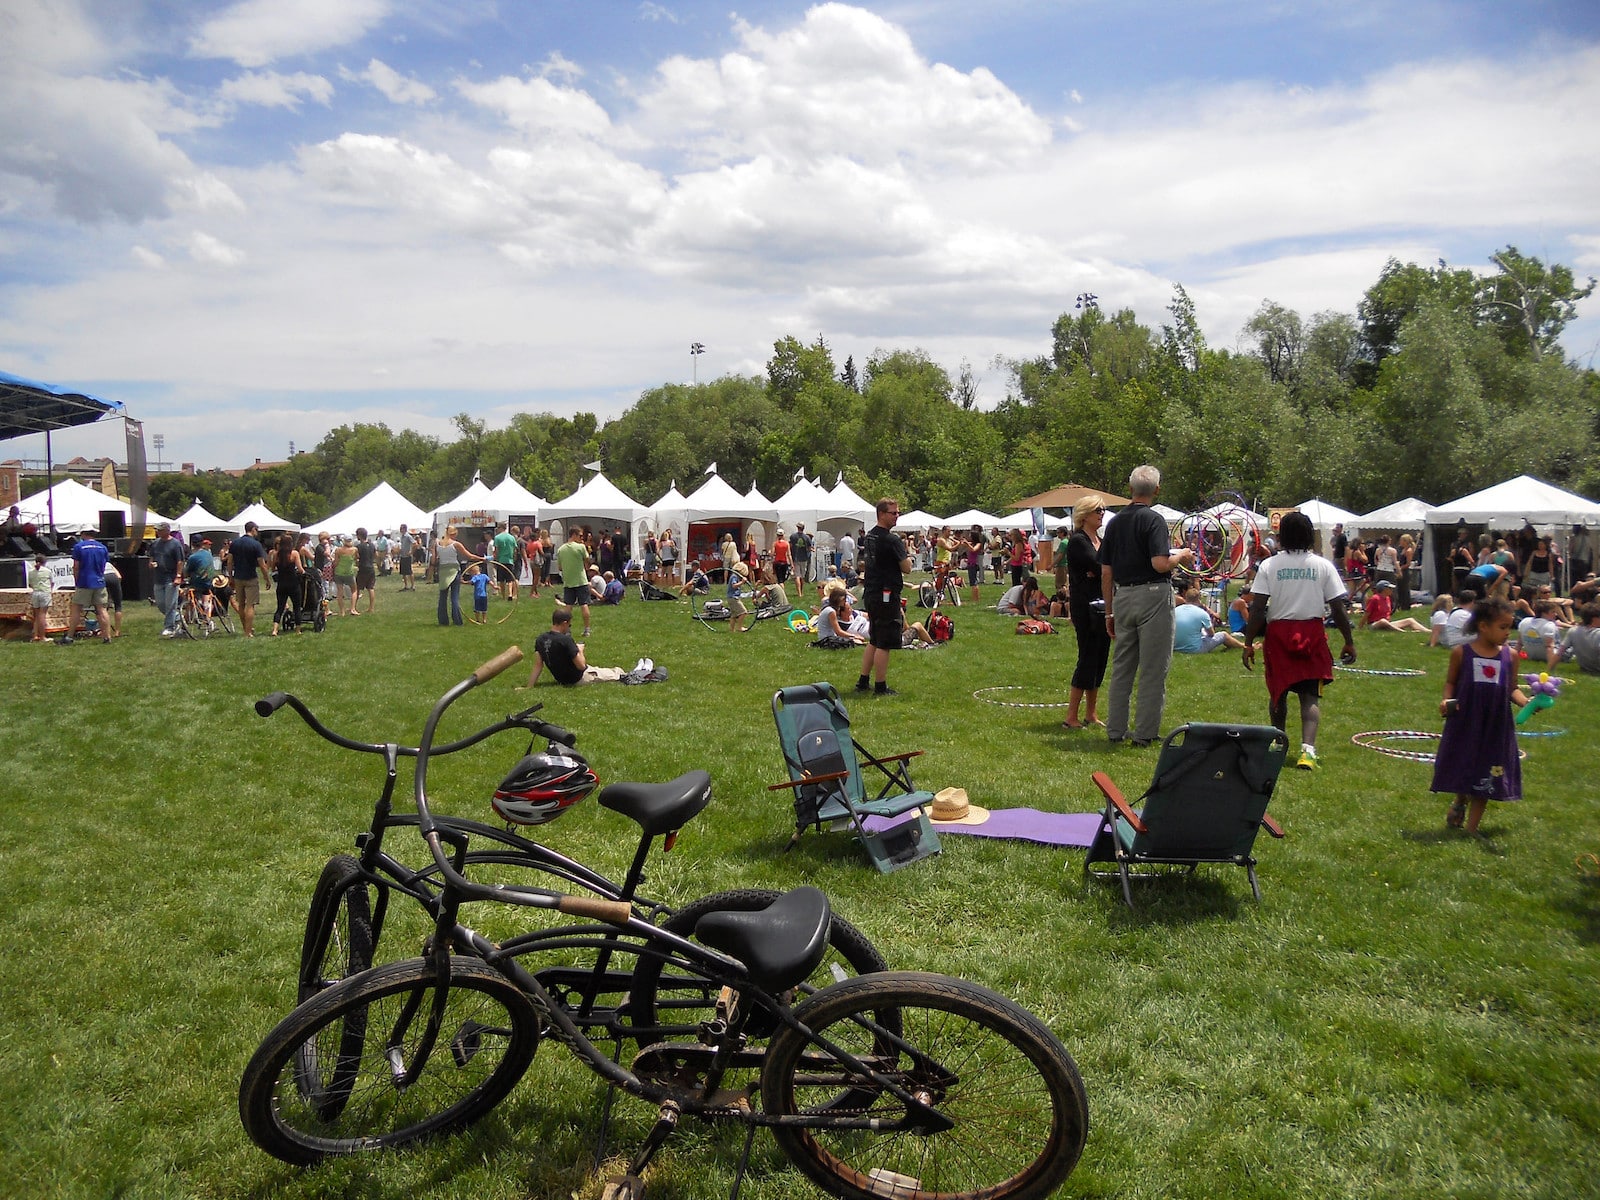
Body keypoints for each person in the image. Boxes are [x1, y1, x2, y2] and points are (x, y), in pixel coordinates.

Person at [1240, 511, 1355, 771]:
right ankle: (1308, 751)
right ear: (1308, 535)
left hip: (1279, 633)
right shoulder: (1323, 565)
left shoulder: (1270, 566)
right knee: (1310, 697)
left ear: (1282, 536)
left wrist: (1248, 643)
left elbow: (1258, 608)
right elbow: (1338, 607)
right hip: (1312, 632)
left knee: (1278, 692)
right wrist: (1349, 640)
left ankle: (1278, 744)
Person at [1099, 465, 1193, 746]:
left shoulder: (1114, 523)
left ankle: (1115, 729)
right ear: (1156, 490)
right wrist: (1182, 556)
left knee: (1122, 667)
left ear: (1130, 489)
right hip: (1153, 595)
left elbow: (1106, 572)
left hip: (1123, 596)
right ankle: (1145, 733)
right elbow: (1160, 563)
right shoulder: (1154, 520)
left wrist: (1109, 610)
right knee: (1153, 668)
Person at [1432, 596, 1528, 833]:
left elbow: (1512, 688)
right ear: (1483, 626)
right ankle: (1460, 800)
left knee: (1488, 770)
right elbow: (1451, 682)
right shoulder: (1461, 653)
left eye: (1510, 627)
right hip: (1466, 721)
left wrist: (1527, 702)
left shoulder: (1511, 656)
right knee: (1466, 764)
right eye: (1503, 627)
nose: (1508, 632)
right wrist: (1446, 700)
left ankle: (1471, 829)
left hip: (1496, 724)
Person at [856, 497, 912, 696]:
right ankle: (880, 686)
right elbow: (907, 568)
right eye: (893, 513)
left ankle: (863, 681)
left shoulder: (870, 536)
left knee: (874, 638)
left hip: (871, 592)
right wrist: (906, 554)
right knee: (884, 642)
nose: (897, 516)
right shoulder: (891, 539)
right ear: (881, 514)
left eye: (898, 513)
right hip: (886, 594)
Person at [1064, 494, 1110, 730]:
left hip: (1103, 604)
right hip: (1085, 607)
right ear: (1085, 515)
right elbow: (1100, 567)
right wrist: (1101, 571)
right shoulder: (1078, 541)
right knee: (1087, 657)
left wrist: (1102, 571)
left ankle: (1091, 713)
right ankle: (1071, 716)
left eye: (1103, 510)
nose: (1102, 514)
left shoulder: (1099, 540)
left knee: (1101, 657)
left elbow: (1105, 568)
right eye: (1097, 510)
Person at [516, 607, 631, 686]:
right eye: (569, 625)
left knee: (599, 669)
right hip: (578, 678)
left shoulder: (540, 639)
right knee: (617, 673)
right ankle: (641, 672)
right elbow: (581, 666)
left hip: (562, 680)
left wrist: (529, 686)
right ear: (565, 623)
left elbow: (538, 666)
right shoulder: (565, 640)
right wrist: (580, 650)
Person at [64, 530, 112, 645]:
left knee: (76, 608)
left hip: (84, 581)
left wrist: (77, 581)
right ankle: (107, 637)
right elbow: (104, 564)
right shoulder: (102, 547)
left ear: (83, 534)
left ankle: (69, 637)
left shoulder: (79, 547)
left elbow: (76, 567)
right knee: (101, 609)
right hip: (99, 581)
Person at [225, 521, 269, 638]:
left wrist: (230, 577)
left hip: (238, 577)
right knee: (250, 605)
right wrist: (267, 579)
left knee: (241, 605)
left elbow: (229, 561)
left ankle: (246, 628)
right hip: (251, 577)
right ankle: (248, 632)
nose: (257, 532)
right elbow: (262, 564)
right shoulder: (256, 544)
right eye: (257, 530)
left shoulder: (235, 543)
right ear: (253, 529)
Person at [433, 524, 481, 626]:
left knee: (442, 597)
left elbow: (434, 560)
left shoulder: (437, 543)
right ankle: (457, 620)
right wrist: (482, 559)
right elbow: (469, 556)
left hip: (442, 570)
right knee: (454, 597)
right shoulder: (456, 544)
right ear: (454, 534)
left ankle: (443, 621)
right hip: (454, 570)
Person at [1173, 586, 1246, 652]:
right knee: (1223, 634)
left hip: (1175, 647)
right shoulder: (1202, 613)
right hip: (1195, 649)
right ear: (1199, 599)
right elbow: (1211, 634)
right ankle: (1244, 646)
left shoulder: (1175, 610)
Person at [556, 526, 594, 637]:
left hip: (568, 581)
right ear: (574, 535)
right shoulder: (581, 547)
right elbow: (587, 561)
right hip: (581, 581)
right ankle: (587, 629)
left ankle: (566, 629)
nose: (582, 538)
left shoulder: (561, 549)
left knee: (568, 606)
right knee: (584, 604)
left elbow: (560, 568)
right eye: (581, 536)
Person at [150, 522, 184, 638]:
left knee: (170, 604)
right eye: (158, 530)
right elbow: (151, 558)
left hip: (171, 577)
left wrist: (178, 576)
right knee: (160, 604)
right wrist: (151, 564)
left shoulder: (175, 544)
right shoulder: (155, 544)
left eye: (160, 530)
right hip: (158, 578)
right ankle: (180, 619)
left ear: (167, 531)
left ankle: (169, 627)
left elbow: (180, 561)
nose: (158, 532)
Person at [269, 532, 304, 636]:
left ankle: (275, 630)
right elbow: (301, 569)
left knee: (280, 608)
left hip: (281, 583)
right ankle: (298, 630)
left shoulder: (276, 554)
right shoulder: (294, 554)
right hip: (293, 583)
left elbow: (273, 568)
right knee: (297, 607)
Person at [1362, 580, 1430, 633]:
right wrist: (1360, 627)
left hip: (1387, 623)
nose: (1392, 590)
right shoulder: (1374, 599)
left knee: (1410, 620)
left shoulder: (1387, 598)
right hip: (1374, 624)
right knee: (1383, 621)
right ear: (1384, 589)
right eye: (1390, 588)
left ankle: (1427, 631)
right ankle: (1405, 632)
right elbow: (1367, 614)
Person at [185, 539, 218, 631]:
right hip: (209, 581)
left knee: (188, 595)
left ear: (192, 545)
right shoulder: (208, 554)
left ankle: (186, 620)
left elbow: (186, 572)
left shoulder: (193, 557)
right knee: (206, 601)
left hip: (198, 583)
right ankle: (208, 618)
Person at [1558, 602, 1600, 673]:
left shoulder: (1574, 631)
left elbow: (1560, 651)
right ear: (1595, 619)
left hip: (1586, 667)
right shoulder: (1597, 633)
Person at [331, 535, 358, 617]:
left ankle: (342, 611)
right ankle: (353, 609)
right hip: (349, 572)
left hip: (339, 572)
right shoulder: (354, 550)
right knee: (354, 590)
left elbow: (335, 562)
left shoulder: (338, 550)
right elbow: (356, 559)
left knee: (340, 592)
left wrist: (332, 567)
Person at [492, 521, 518, 603]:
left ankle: (503, 596)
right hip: (510, 560)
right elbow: (515, 550)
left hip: (501, 561)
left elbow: (496, 551)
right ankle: (510, 594)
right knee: (510, 579)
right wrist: (513, 558)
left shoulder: (497, 538)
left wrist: (494, 560)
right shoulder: (512, 537)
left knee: (501, 580)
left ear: (501, 528)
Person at [354, 527, 378, 615]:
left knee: (357, 588)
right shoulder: (372, 545)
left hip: (363, 568)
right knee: (370, 588)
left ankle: (353, 607)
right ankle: (371, 608)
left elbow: (356, 557)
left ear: (359, 536)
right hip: (371, 568)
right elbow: (376, 555)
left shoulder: (359, 547)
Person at [29, 554, 53, 642]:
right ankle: (42, 637)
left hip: (35, 593)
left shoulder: (31, 571)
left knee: (36, 616)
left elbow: (30, 584)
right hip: (44, 593)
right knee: (42, 615)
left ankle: (35, 635)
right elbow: (51, 582)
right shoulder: (47, 571)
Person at [398, 524, 415, 591]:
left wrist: (411, 552)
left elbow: (415, 544)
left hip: (407, 556)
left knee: (409, 571)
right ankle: (406, 585)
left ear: (404, 529)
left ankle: (413, 585)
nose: (400, 530)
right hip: (402, 556)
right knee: (403, 572)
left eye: (401, 528)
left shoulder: (408, 536)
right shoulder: (402, 537)